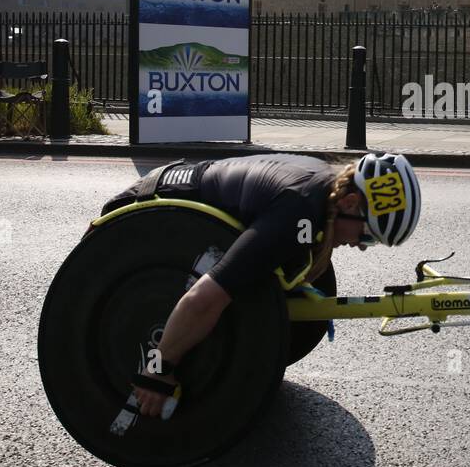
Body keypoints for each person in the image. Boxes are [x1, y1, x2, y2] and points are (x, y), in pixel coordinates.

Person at [96, 151, 421, 418]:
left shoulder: (323, 188)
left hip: (176, 186)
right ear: (349, 203)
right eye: (368, 234)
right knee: (221, 289)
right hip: (138, 217)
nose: (363, 245)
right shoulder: (299, 213)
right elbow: (203, 299)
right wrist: (157, 367)